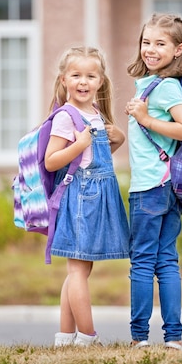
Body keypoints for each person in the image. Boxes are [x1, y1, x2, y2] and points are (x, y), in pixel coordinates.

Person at [44, 46, 130, 347]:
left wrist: (115, 138)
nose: (83, 81)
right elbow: (52, 161)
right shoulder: (66, 117)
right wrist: (80, 144)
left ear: (101, 81)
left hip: (97, 194)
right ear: (64, 79)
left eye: (91, 76)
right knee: (78, 268)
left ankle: (65, 336)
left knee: (81, 268)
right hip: (81, 197)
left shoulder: (94, 113)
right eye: (76, 75)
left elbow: (94, 158)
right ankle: (88, 336)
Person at [124, 13, 182, 351]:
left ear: (178, 49)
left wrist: (144, 118)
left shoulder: (165, 86)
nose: (150, 49)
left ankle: (139, 338)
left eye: (160, 44)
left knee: (142, 261)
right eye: (146, 42)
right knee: (166, 259)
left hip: (149, 188)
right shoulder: (154, 83)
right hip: (168, 187)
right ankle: (174, 339)